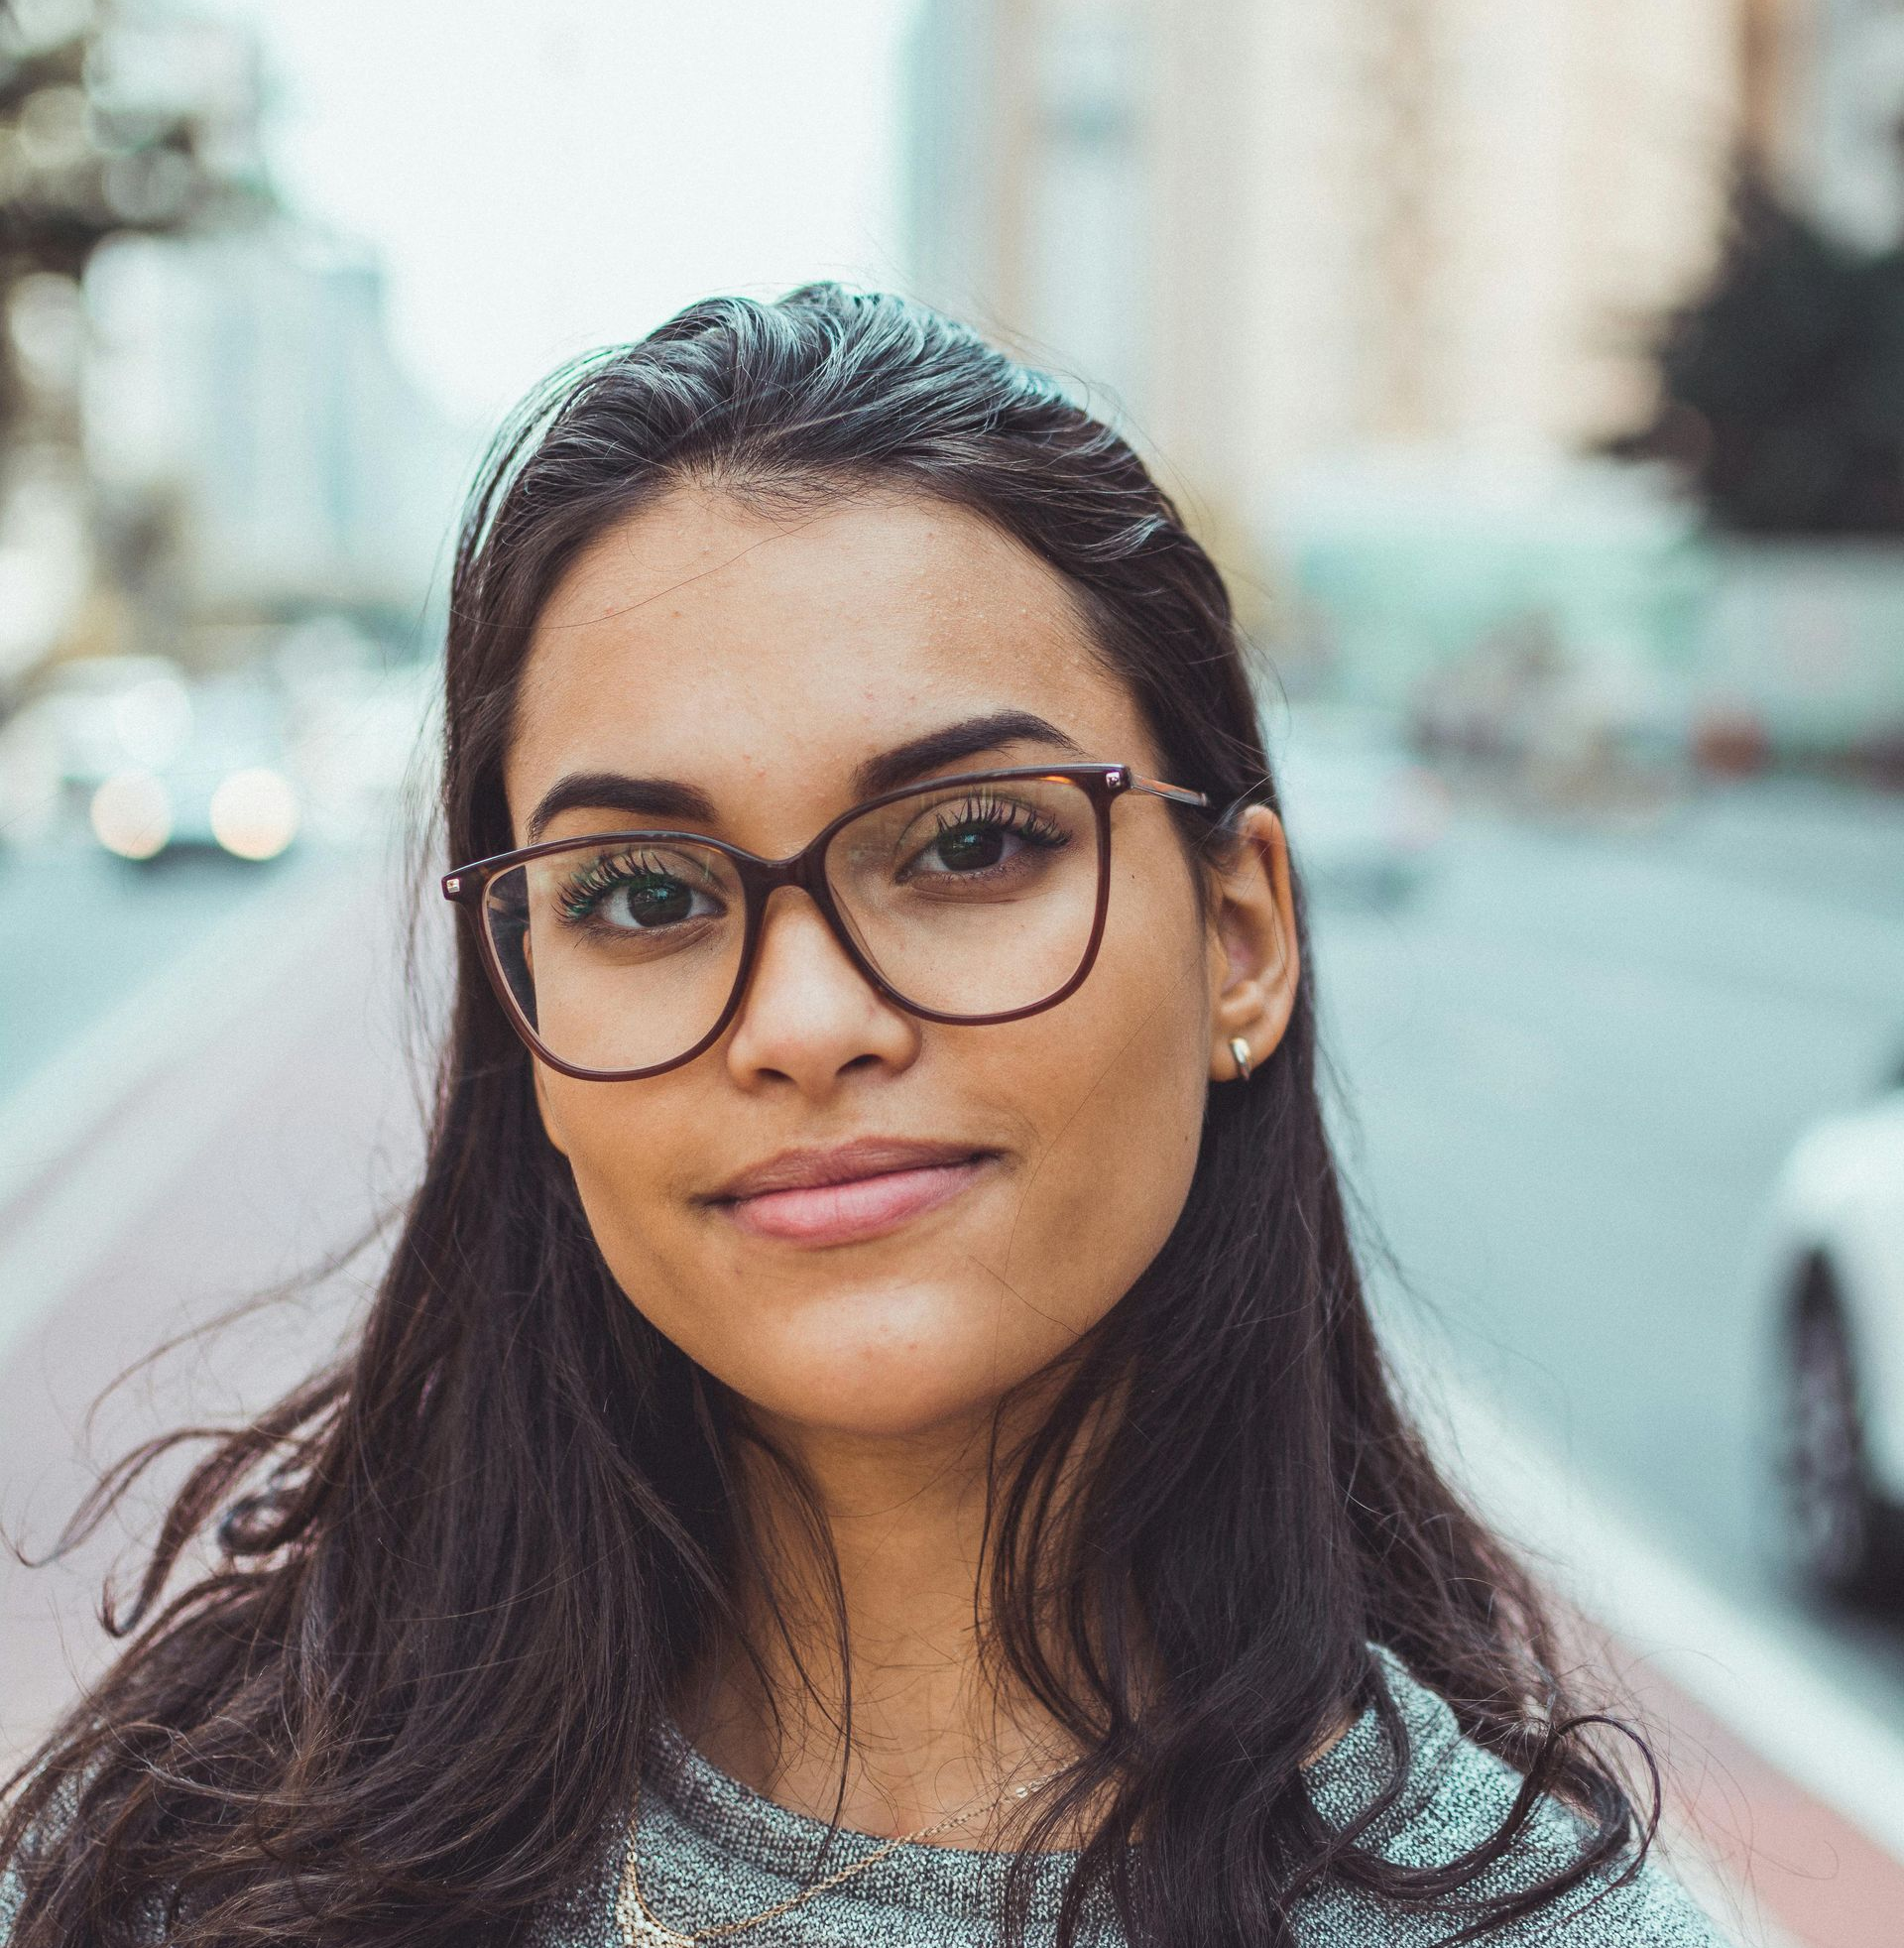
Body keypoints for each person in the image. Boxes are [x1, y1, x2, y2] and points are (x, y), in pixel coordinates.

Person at [1, 285, 1730, 1947]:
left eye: (973, 843)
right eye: (642, 892)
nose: (806, 1021)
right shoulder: (186, 1873)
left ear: (1240, 941)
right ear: (522, 1011)